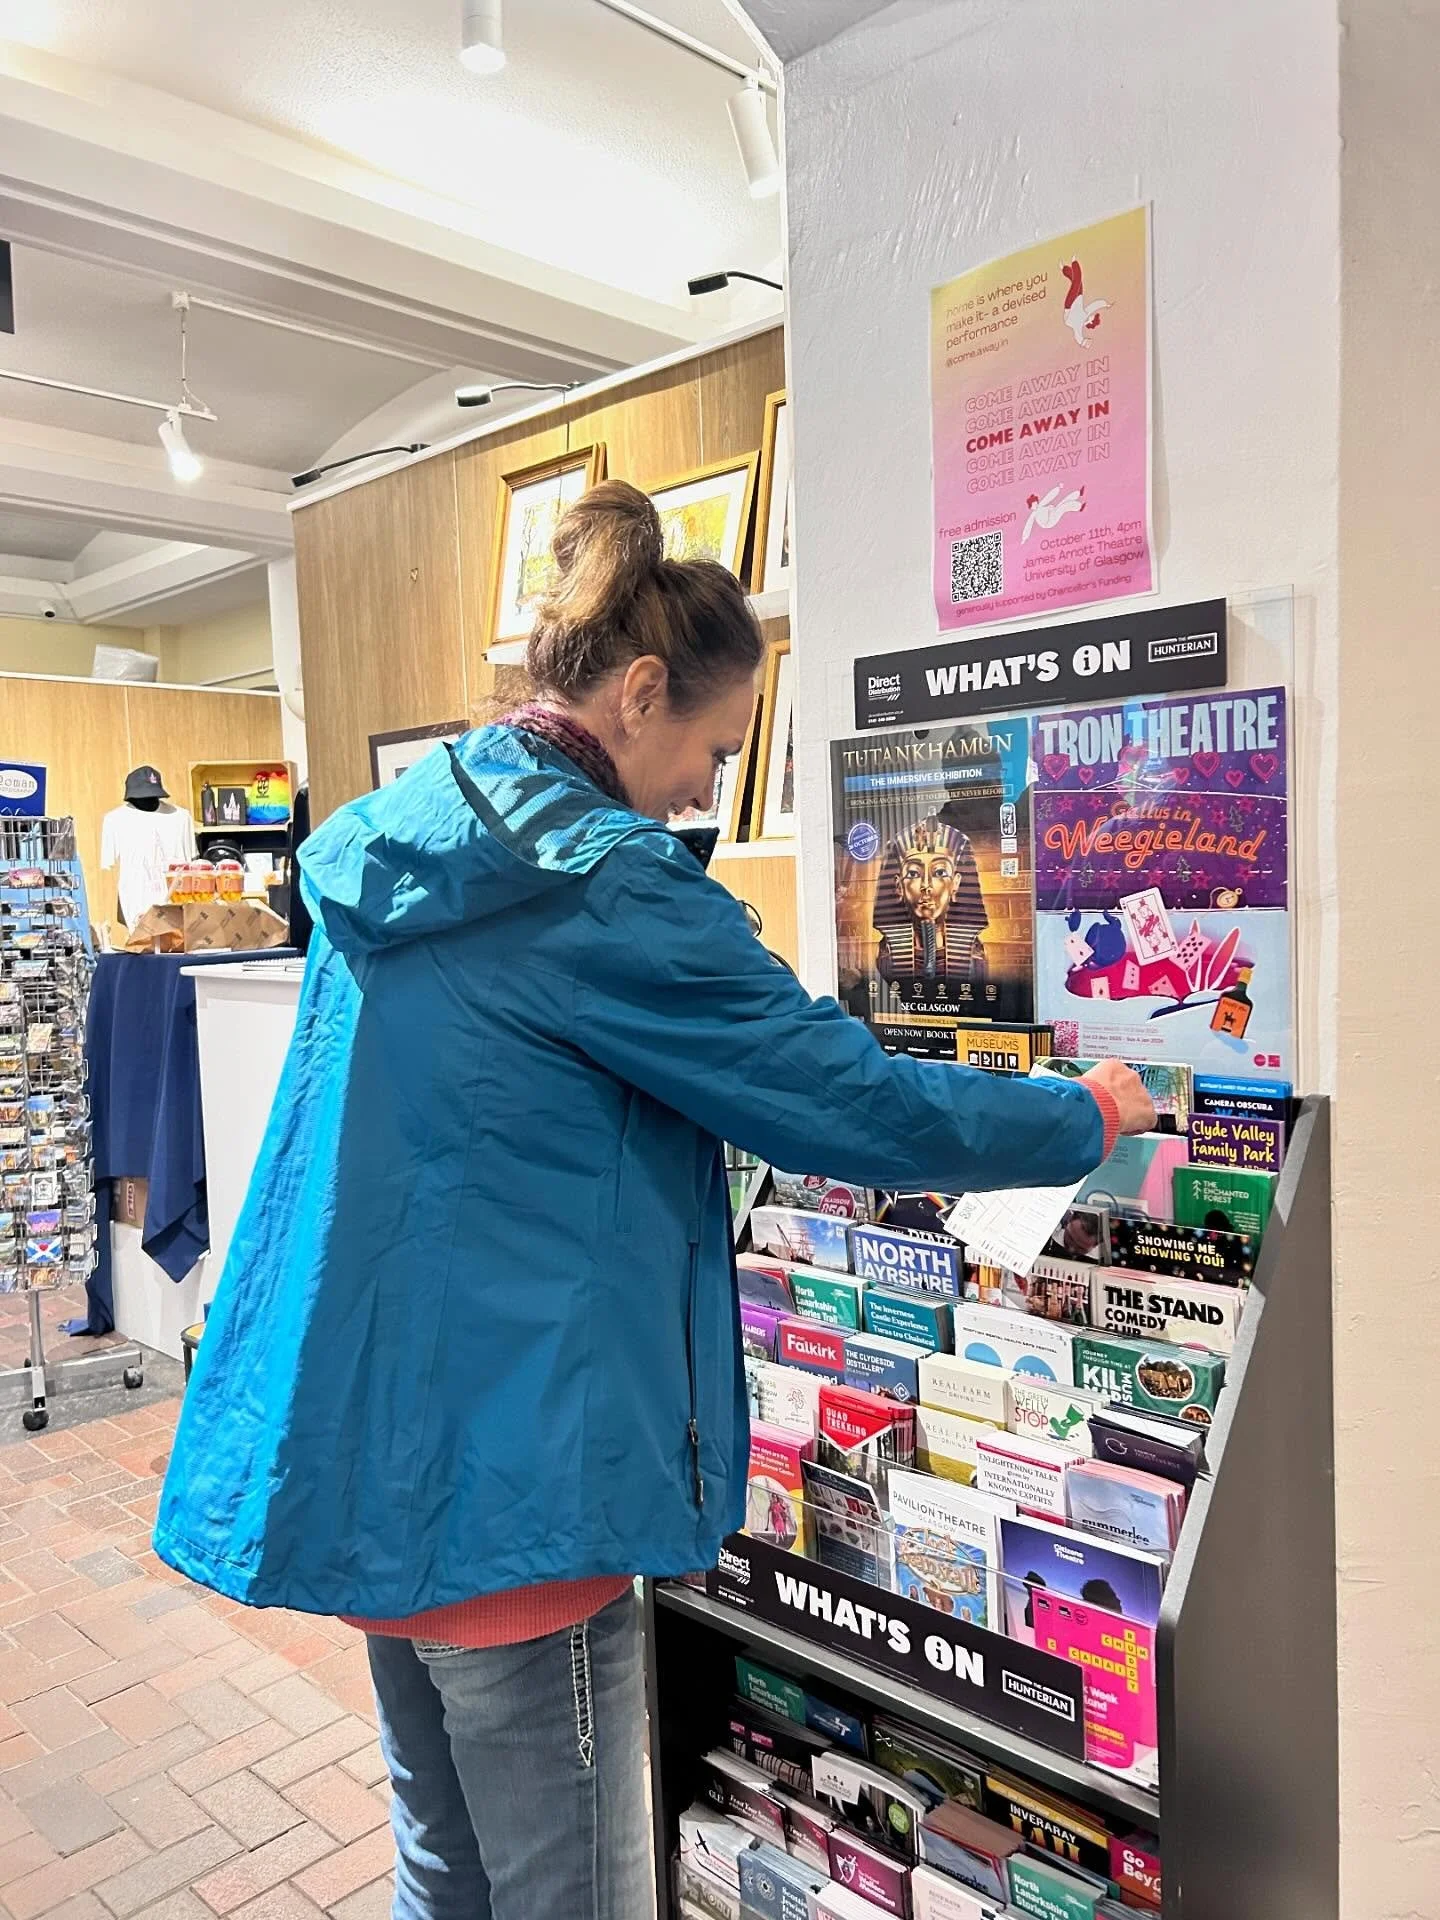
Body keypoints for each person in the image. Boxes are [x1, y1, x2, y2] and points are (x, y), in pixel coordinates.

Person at [154, 481, 1154, 1920]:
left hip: (377, 1473)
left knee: (443, 1868)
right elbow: (844, 1098)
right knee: (583, 1893)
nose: (711, 788)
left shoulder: (402, 846)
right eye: (713, 746)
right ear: (636, 694)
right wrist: (1076, 1116)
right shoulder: (605, 893)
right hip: (523, 1503)